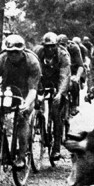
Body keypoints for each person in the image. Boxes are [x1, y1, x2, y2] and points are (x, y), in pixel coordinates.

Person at [0, 34, 41, 169]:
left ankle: (21, 156)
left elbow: (33, 89)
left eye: (16, 52)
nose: (13, 55)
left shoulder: (32, 62)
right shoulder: (0, 60)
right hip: (7, 91)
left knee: (23, 118)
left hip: (25, 92)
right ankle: (2, 148)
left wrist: (26, 104)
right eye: (10, 52)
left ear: (22, 51)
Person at [34, 32, 71, 161]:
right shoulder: (37, 53)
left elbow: (64, 75)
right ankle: (37, 126)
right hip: (43, 81)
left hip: (58, 83)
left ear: (56, 46)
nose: (49, 49)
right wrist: (36, 90)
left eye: (52, 46)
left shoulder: (63, 55)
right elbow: (34, 72)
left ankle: (56, 148)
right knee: (35, 105)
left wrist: (60, 93)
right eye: (47, 46)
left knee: (56, 113)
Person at [57, 34, 84, 116]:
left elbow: (80, 65)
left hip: (73, 72)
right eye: (59, 45)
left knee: (75, 83)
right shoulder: (55, 50)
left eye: (63, 45)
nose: (62, 47)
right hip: (60, 72)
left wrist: (77, 76)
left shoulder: (74, 48)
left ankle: (74, 106)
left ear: (67, 44)